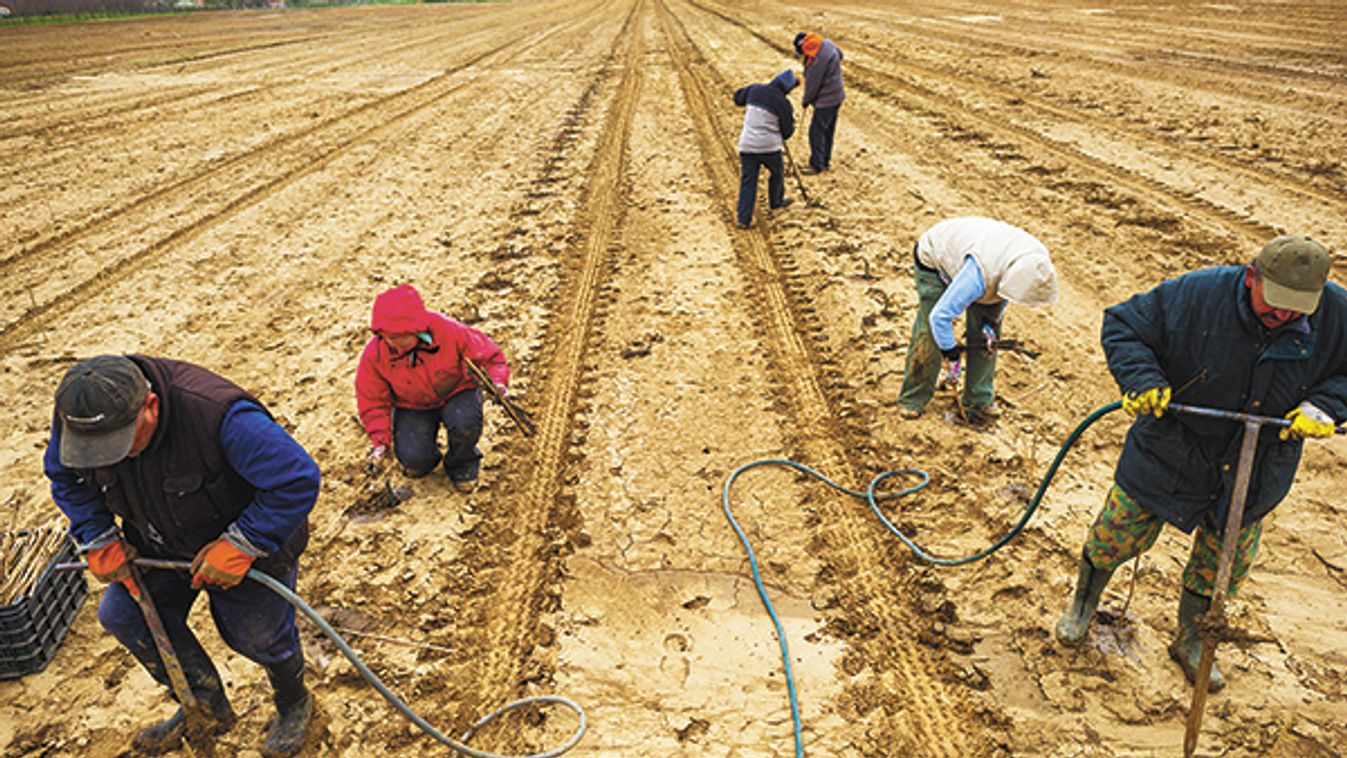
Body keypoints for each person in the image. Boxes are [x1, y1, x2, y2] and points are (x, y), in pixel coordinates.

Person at [1056, 235, 1347, 693]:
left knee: (1223, 562)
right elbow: (1123, 326)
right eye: (1274, 304)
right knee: (1117, 530)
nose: (1283, 316)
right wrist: (1143, 378)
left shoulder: (1336, 314)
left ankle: (1192, 638)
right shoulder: (1198, 294)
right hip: (1174, 444)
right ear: (1252, 276)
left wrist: (1328, 405)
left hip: (1258, 461)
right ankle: (1082, 606)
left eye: (1297, 309)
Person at [44, 354, 320, 757]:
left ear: (150, 407)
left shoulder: (219, 416)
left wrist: (243, 543)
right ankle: (203, 706)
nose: (107, 458)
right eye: (96, 451)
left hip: (249, 545)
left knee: (258, 636)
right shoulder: (82, 414)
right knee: (122, 615)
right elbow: (65, 476)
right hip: (157, 541)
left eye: (118, 444)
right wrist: (98, 536)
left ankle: (295, 701)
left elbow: (297, 480)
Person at [896, 217, 1059, 423]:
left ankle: (978, 401)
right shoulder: (978, 276)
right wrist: (950, 352)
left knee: (987, 341)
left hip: (986, 258)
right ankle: (913, 398)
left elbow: (1008, 292)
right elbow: (940, 316)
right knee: (930, 334)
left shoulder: (1037, 265)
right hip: (937, 256)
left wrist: (991, 322)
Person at [355, 283, 510, 492]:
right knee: (414, 459)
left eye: (404, 337)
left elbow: (491, 357)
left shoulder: (449, 331)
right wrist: (380, 441)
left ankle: (461, 463)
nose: (397, 345)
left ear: (417, 330)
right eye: (391, 338)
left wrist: (498, 383)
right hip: (412, 405)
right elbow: (373, 401)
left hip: (456, 391)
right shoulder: (375, 355)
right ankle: (427, 457)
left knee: (465, 424)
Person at [733, 69, 797, 230]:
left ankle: (743, 219)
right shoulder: (783, 103)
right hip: (769, 147)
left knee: (749, 181)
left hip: (747, 145)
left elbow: (737, 98)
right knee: (777, 172)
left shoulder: (755, 89)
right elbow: (787, 132)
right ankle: (776, 201)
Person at [792, 32, 845, 174]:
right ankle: (824, 161)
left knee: (816, 132)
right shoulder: (826, 43)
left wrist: (805, 101)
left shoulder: (817, 62)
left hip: (827, 100)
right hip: (837, 96)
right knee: (828, 130)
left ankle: (816, 165)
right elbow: (841, 55)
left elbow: (813, 86)